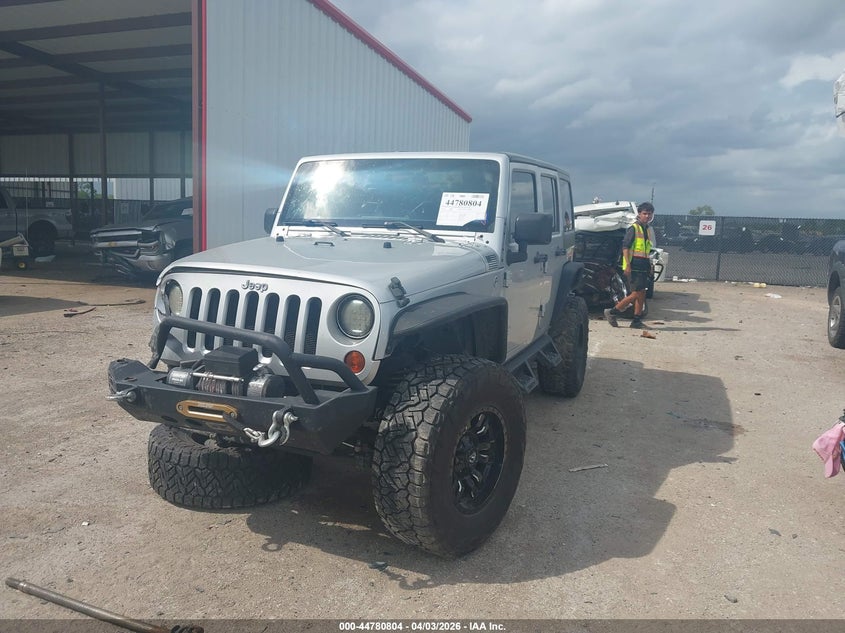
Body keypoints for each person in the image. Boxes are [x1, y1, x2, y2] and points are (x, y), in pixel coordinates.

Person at [604, 201, 655, 329]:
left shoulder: (647, 229)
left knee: (642, 293)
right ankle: (612, 312)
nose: (647, 216)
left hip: (643, 264)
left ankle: (636, 320)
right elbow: (625, 247)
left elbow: (646, 250)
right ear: (639, 214)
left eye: (649, 214)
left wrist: (649, 266)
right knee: (636, 293)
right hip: (634, 264)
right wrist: (627, 265)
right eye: (645, 214)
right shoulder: (634, 228)